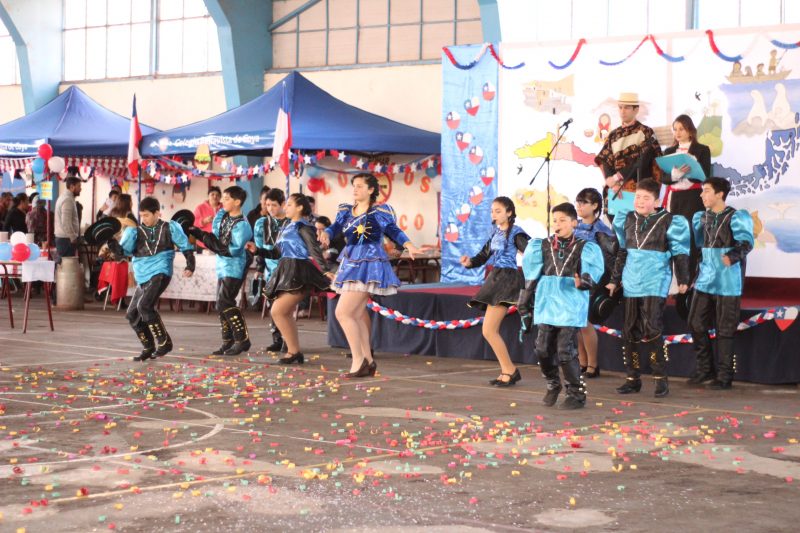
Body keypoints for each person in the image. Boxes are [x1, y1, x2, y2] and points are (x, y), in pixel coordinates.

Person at [320, 173, 420, 378]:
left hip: (370, 263)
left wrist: (409, 245)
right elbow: (335, 227)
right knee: (354, 314)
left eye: (359, 186)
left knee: (343, 313)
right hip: (351, 262)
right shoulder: (346, 211)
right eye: (354, 186)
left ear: (371, 190)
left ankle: (359, 360)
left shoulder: (379, 212)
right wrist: (327, 234)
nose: (355, 190)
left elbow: (394, 230)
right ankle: (368, 361)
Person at [606, 179, 691, 398]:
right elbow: (622, 251)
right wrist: (614, 280)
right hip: (632, 279)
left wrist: (683, 278)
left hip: (655, 279)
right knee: (629, 330)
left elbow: (679, 252)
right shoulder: (627, 219)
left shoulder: (670, 221)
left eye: (645, 198)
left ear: (657, 200)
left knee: (652, 328)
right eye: (637, 197)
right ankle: (632, 378)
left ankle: (660, 378)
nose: (640, 201)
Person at [519, 203, 604, 409]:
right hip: (548, 302)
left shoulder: (585, 247)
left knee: (565, 350)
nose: (558, 224)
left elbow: (591, 274)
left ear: (574, 223)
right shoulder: (543, 245)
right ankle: (552, 383)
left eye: (563, 220)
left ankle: (576, 393)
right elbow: (531, 276)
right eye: (555, 220)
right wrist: (525, 302)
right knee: (542, 349)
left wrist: (583, 282)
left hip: (570, 304)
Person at [107, 197, 195, 361]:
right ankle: (149, 347)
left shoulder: (169, 228)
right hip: (143, 276)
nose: (143, 219)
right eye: (141, 215)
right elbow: (122, 253)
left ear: (157, 213)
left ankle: (164, 342)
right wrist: (110, 241)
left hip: (160, 272)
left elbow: (185, 245)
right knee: (132, 314)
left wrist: (190, 265)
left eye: (146, 215)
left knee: (144, 306)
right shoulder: (135, 231)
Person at [688, 178, 754, 390]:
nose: (702, 195)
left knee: (725, 328)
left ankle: (725, 375)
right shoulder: (702, 217)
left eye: (706, 191)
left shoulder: (735, 216)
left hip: (727, 279)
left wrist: (733, 255)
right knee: (695, 321)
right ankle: (705, 369)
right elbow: (699, 242)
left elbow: (746, 242)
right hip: (706, 276)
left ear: (719, 194)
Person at [254, 194, 333, 365]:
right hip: (285, 269)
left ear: (300, 208)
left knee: (278, 311)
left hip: (299, 271)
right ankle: (293, 351)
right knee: (283, 312)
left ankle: (293, 351)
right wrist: (257, 251)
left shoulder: (304, 227)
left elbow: (314, 250)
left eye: (289, 205)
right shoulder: (288, 227)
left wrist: (326, 271)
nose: (285, 207)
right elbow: (277, 252)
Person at [460, 197, 530, 386]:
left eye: (498, 210)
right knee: (489, 330)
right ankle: (508, 370)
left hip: (507, 280)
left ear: (509, 212)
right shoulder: (495, 232)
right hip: (496, 278)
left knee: (489, 330)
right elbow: (484, 254)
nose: (494, 214)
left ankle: (510, 370)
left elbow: (531, 252)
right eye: (492, 211)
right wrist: (470, 263)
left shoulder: (516, 233)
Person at [188, 186, 253, 356]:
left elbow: (231, 250)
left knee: (224, 302)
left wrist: (202, 236)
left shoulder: (243, 225)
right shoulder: (222, 216)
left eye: (226, 198)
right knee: (221, 303)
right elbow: (217, 239)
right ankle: (228, 341)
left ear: (237, 202)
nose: (221, 201)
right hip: (222, 266)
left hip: (235, 266)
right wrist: (201, 234)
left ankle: (242, 339)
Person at [595, 92, 662, 221]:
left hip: (638, 189)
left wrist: (617, 177)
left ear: (636, 109)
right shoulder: (614, 134)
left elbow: (644, 161)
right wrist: (612, 182)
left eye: (626, 107)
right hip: (616, 191)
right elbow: (604, 159)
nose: (622, 111)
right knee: (619, 231)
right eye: (620, 107)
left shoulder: (645, 132)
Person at [574, 188, 617, 379]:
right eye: (578, 202)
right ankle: (582, 363)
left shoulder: (601, 230)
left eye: (584, 202)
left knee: (585, 322)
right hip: (574, 278)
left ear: (595, 206)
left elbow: (611, 258)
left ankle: (593, 364)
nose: (580, 206)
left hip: (593, 280)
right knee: (576, 322)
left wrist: (611, 282)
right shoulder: (574, 227)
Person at [662, 114, 711, 277]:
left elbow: (706, 175)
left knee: (690, 237)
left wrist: (688, 171)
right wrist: (674, 175)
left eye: (681, 129)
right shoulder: (668, 151)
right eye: (675, 129)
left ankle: (690, 280)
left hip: (693, 197)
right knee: (674, 237)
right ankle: (677, 282)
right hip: (674, 198)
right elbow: (663, 178)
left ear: (690, 130)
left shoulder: (702, 149)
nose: (678, 132)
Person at [252, 188, 289, 352]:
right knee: (272, 305)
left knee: (285, 307)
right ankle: (276, 338)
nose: (270, 208)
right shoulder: (261, 223)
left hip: (288, 269)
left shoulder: (290, 223)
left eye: (274, 205)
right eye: (267, 205)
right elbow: (259, 248)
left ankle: (289, 340)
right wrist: (259, 268)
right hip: (270, 269)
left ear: (282, 204)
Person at [54, 177, 82, 262]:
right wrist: (73, 237)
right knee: (66, 268)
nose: (80, 189)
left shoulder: (66, 197)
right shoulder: (67, 199)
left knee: (63, 266)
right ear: (72, 187)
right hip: (66, 239)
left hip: (65, 238)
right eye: (79, 186)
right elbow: (66, 222)